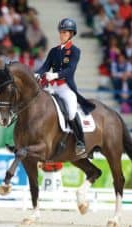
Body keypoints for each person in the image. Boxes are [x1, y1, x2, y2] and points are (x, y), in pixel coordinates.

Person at [35, 18, 95, 155]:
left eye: (65, 32)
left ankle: (81, 142)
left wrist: (55, 75)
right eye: (61, 32)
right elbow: (45, 67)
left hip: (65, 87)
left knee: (71, 111)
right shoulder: (53, 51)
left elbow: (70, 70)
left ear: (71, 34)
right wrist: (37, 74)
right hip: (51, 87)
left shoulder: (75, 51)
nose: (62, 35)